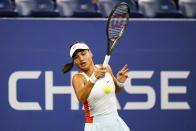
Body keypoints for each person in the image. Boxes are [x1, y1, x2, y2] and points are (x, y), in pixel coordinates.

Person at [62, 41, 130, 131]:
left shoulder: (107, 68)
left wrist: (120, 82)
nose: (81, 59)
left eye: (83, 54)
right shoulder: (78, 78)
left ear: (90, 53)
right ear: (74, 62)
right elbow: (81, 98)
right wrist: (94, 78)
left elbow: (117, 90)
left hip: (115, 122)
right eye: (76, 57)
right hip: (96, 126)